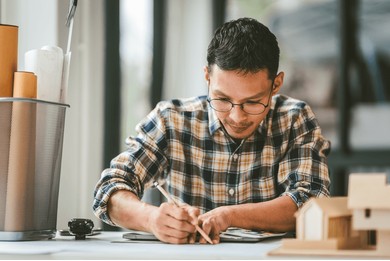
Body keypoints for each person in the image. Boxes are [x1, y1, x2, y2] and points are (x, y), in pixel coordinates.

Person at [93, 17, 331, 244]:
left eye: (252, 102)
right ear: (207, 76)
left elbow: (310, 202)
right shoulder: (171, 120)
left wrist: (227, 216)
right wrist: (151, 219)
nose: (237, 117)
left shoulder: (293, 119)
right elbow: (109, 189)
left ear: (276, 85)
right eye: (222, 99)